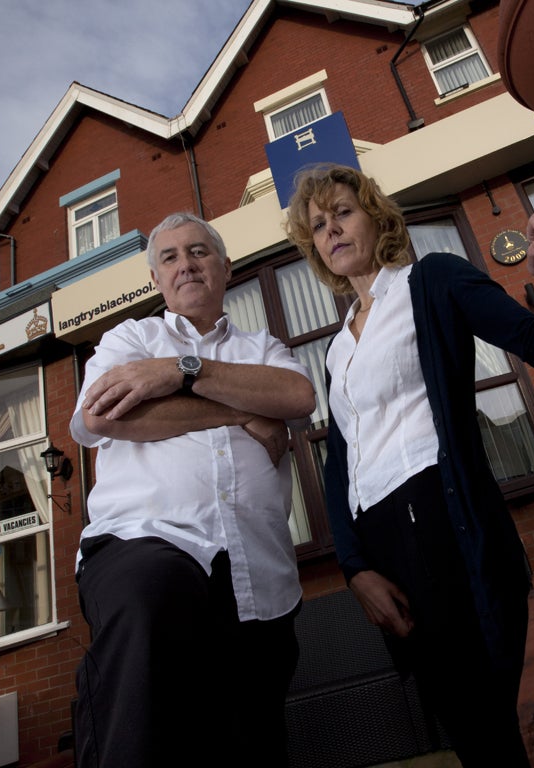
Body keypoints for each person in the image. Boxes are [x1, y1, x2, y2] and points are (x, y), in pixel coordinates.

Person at [284, 164, 534, 766]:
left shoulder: (433, 279)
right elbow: (341, 463)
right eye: (318, 226)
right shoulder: (337, 347)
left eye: (343, 212)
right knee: (459, 719)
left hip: (444, 517)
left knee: (502, 709)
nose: (332, 230)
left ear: (375, 214)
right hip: (383, 545)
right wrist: (353, 567)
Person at [69, 212, 316, 767]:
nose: (186, 265)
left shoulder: (262, 347)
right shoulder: (131, 338)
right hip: (143, 542)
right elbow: (103, 417)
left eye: (199, 252)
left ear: (225, 268)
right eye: (170, 257)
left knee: (252, 741)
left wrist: (179, 373)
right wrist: (240, 410)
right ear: (155, 279)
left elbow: (298, 398)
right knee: (150, 616)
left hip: (258, 573)